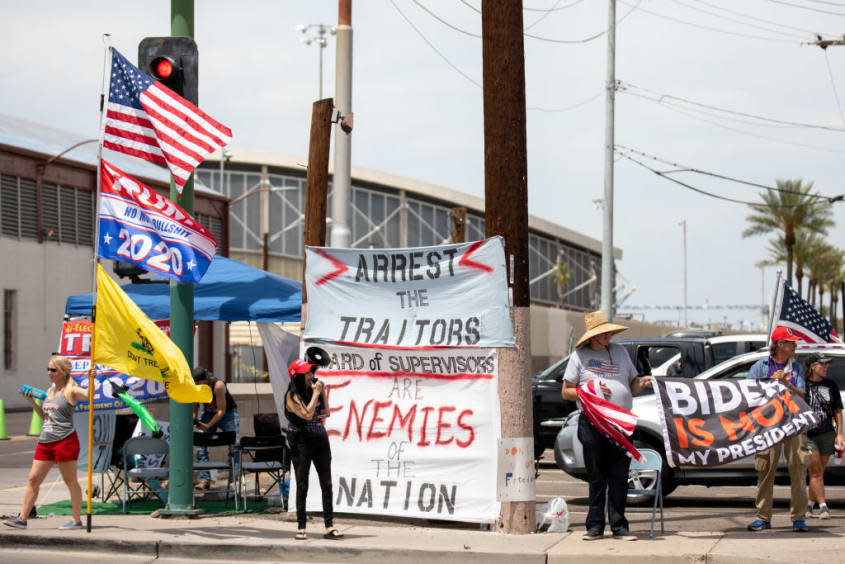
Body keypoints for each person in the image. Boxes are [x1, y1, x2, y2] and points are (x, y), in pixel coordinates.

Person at [561, 311, 653, 541]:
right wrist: (590, 390)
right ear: (592, 336)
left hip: (621, 423)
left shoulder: (620, 352)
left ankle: (619, 527)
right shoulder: (579, 356)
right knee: (597, 475)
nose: (607, 336)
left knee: (619, 476)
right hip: (593, 423)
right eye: (603, 333)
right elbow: (566, 391)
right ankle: (594, 526)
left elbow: (631, 386)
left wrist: (642, 383)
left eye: (609, 332)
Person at [4, 356, 89, 530]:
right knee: (33, 479)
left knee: (70, 481)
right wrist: (31, 401)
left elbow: (88, 395)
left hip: (65, 441)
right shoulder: (49, 392)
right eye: (48, 369)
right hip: (45, 441)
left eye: (53, 370)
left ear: (64, 372)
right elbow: (46, 418)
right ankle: (22, 518)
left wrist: (92, 379)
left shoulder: (71, 390)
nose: (49, 373)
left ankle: (76, 520)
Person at [746, 326, 810, 532]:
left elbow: (802, 397)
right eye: (791, 342)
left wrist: (786, 384)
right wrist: (769, 383)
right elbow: (748, 394)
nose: (795, 346)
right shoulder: (760, 367)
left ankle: (799, 518)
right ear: (780, 345)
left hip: (793, 423)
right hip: (768, 425)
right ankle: (763, 516)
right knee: (765, 468)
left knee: (798, 469)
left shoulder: (797, 368)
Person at [285, 347, 343, 541]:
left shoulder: (316, 387)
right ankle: (301, 526)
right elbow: (308, 414)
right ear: (298, 377)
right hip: (300, 439)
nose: (311, 375)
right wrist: (317, 394)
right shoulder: (292, 396)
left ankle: (329, 525)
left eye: (311, 371)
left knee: (326, 482)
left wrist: (321, 392)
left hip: (319, 436)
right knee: (302, 483)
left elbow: (325, 412)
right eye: (307, 373)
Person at [803, 352, 844, 520]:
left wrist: (839, 434)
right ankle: (823, 506)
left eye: (827, 364)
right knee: (816, 472)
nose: (826, 367)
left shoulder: (831, 385)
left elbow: (837, 411)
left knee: (819, 472)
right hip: (808, 434)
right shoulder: (803, 385)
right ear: (812, 366)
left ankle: (809, 505)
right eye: (822, 364)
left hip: (827, 433)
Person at [192, 366, 239, 490]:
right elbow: (195, 404)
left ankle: (233, 480)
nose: (197, 386)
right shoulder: (197, 387)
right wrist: (195, 418)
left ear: (206, 379)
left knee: (234, 446)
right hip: (208, 413)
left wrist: (208, 425)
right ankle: (204, 479)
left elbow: (221, 411)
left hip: (226, 413)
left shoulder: (218, 386)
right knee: (200, 445)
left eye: (199, 383)